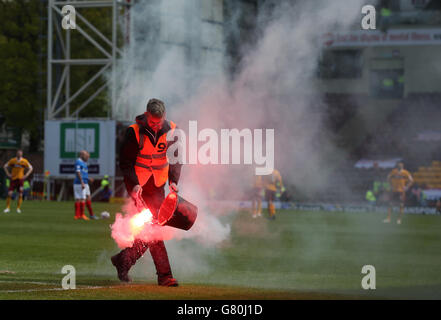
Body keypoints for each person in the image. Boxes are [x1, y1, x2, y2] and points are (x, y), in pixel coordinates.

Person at [111, 98, 182, 287]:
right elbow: (125, 163)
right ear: (146, 115)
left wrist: (174, 181)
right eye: (152, 122)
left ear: (164, 116)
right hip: (139, 187)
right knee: (154, 229)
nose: (155, 125)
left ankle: (123, 260)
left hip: (158, 186)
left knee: (152, 229)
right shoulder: (133, 131)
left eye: (158, 122)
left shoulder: (173, 130)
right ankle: (165, 276)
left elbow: (175, 159)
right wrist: (134, 185)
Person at [73, 150, 98, 220]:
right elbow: (78, 172)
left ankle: (91, 215)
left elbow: (83, 173)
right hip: (80, 183)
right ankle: (79, 215)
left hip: (85, 182)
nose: (87, 158)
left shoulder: (84, 163)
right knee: (81, 199)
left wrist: (88, 178)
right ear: (82, 155)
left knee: (88, 198)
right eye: (86, 156)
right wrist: (82, 182)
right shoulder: (78, 162)